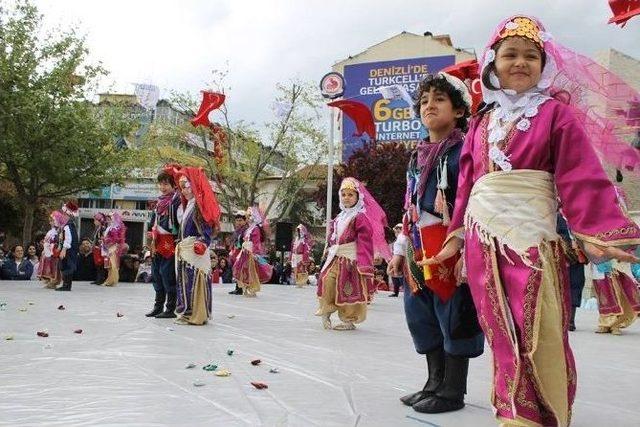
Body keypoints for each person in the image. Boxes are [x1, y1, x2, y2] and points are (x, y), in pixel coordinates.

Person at [423, 16, 640, 426]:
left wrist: (594, 233)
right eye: (510, 55)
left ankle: (548, 414)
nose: (520, 63)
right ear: (492, 63)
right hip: (482, 238)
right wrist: (454, 236)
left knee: (537, 327)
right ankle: (514, 414)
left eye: (531, 56)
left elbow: (579, 175)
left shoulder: (557, 115)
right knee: (500, 330)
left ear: (544, 64)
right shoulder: (482, 122)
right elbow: (468, 182)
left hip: (532, 238)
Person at [391, 72, 484, 414]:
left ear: (459, 110)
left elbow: (474, 199)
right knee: (421, 313)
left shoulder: (466, 151)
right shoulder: (417, 156)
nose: (429, 105)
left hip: (449, 240)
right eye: (425, 100)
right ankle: (433, 382)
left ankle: (453, 389)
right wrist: (401, 247)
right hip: (418, 242)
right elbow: (409, 203)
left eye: (439, 99)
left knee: (454, 312)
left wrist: (464, 247)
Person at [316, 177, 391, 330]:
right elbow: (333, 237)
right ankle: (326, 311)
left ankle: (349, 320)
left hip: (351, 259)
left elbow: (365, 241)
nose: (347, 198)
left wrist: (364, 263)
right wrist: (328, 250)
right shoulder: (339, 217)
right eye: (343, 195)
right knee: (326, 281)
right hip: (335, 258)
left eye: (351, 195)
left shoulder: (360, 217)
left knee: (348, 288)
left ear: (358, 197)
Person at [174, 166, 221, 325]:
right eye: (181, 188)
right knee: (185, 281)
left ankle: (194, 313)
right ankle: (187, 312)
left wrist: (202, 242)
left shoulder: (199, 206)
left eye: (186, 186)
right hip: (186, 250)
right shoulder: (188, 205)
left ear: (194, 185)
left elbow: (206, 231)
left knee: (192, 282)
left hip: (195, 251)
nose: (184, 191)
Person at [146, 169, 181, 317]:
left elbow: (180, 223)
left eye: (166, 184)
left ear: (174, 185)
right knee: (156, 275)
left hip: (169, 242)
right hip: (157, 241)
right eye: (161, 184)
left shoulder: (177, 201)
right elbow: (152, 222)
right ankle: (158, 306)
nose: (163, 187)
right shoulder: (159, 201)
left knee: (167, 275)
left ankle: (170, 308)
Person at [232, 206, 273, 297]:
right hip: (245, 252)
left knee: (252, 272)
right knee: (244, 271)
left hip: (251, 253)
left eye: (250, 216)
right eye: (248, 216)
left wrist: (254, 253)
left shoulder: (256, 229)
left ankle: (252, 289)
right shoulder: (249, 229)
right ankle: (246, 289)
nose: (248, 217)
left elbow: (256, 242)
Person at [556, 214, 587, 331]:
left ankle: (571, 320)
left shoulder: (579, 217)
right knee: (562, 288)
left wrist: (579, 244)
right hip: (563, 259)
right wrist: (568, 244)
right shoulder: (558, 218)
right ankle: (561, 318)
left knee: (576, 287)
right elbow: (555, 234)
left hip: (577, 259)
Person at [55, 201, 80, 291]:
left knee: (67, 266)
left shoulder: (68, 226)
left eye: (63, 213)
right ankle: (65, 284)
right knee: (64, 265)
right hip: (68, 249)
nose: (62, 215)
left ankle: (67, 285)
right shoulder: (68, 225)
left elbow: (68, 238)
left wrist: (64, 249)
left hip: (69, 249)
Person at [101, 211, 126, 287]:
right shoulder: (110, 227)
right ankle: (109, 280)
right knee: (109, 265)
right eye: (107, 218)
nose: (107, 220)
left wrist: (107, 242)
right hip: (109, 247)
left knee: (113, 265)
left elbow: (115, 239)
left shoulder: (114, 228)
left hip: (112, 247)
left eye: (109, 218)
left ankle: (112, 281)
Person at [38, 211, 62, 288]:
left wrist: (53, 245)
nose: (51, 222)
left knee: (53, 266)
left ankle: (54, 281)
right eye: (50, 221)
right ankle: (48, 279)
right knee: (47, 265)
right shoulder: (51, 230)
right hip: (47, 250)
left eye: (53, 220)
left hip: (53, 252)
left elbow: (58, 241)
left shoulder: (59, 230)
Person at [228, 210, 248, 295]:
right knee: (236, 270)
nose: (238, 222)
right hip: (236, 253)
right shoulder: (237, 231)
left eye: (240, 220)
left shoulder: (246, 230)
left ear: (245, 221)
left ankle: (241, 288)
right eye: (237, 220)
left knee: (241, 271)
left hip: (242, 253)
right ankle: (237, 287)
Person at [387, 224, 406, 297]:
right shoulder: (395, 241)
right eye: (396, 232)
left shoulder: (403, 237)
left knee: (402, 276)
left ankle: (405, 290)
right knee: (394, 276)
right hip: (395, 258)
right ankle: (396, 292)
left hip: (403, 259)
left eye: (399, 231)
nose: (397, 233)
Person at [91, 213, 108, 285]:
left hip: (100, 248)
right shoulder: (97, 228)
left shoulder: (103, 228)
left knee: (100, 264)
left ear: (100, 221)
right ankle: (98, 278)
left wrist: (100, 244)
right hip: (96, 248)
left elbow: (103, 238)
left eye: (95, 220)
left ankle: (101, 279)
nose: (94, 222)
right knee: (97, 264)